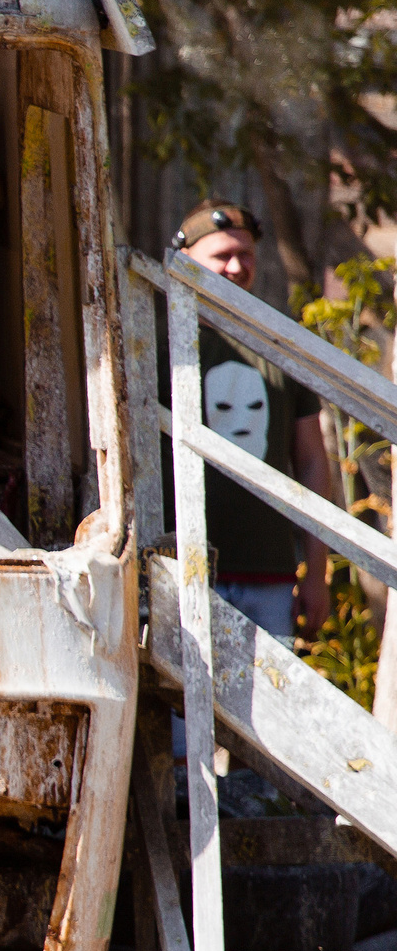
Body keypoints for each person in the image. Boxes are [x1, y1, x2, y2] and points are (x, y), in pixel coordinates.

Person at [170, 200, 332, 638]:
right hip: (182, 570)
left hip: (270, 577)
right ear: (185, 260)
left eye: (246, 255)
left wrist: (315, 574)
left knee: (272, 705)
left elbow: (312, 461)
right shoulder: (159, 338)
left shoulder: (278, 342)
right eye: (222, 255)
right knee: (188, 706)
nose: (237, 267)